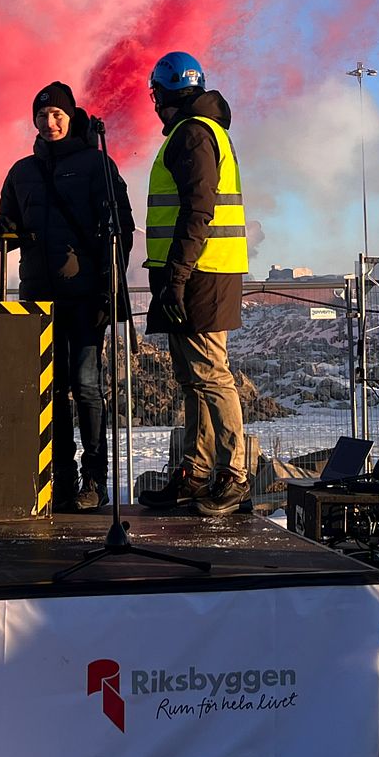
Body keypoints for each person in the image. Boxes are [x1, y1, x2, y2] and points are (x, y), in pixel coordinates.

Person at [0, 81, 135, 511]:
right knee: (49, 389)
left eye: (57, 115)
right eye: (42, 116)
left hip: (86, 295)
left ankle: (95, 480)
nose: (49, 122)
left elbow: (121, 228)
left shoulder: (97, 163)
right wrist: (1, 231)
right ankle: (61, 479)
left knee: (86, 386)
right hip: (38, 297)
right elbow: (9, 223)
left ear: (71, 117)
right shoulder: (22, 172)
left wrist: (110, 286)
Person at [135, 52, 252, 517]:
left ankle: (233, 474)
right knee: (191, 379)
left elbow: (198, 210)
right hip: (195, 271)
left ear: (163, 94)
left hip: (200, 273)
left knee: (210, 374)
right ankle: (196, 471)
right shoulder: (202, 130)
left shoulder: (193, 134)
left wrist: (178, 276)